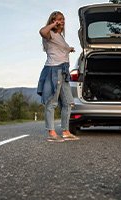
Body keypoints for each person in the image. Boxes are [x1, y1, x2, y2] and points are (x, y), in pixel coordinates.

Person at [37, 11, 79, 142]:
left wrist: (69, 49)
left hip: (64, 71)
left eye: (63, 19)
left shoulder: (60, 36)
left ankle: (66, 131)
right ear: (53, 21)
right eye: (59, 19)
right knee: (51, 102)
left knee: (68, 103)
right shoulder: (50, 34)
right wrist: (53, 24)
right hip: (54, 70)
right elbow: (42, 32)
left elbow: (60, 49)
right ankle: (51, 133)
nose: (62, 21)